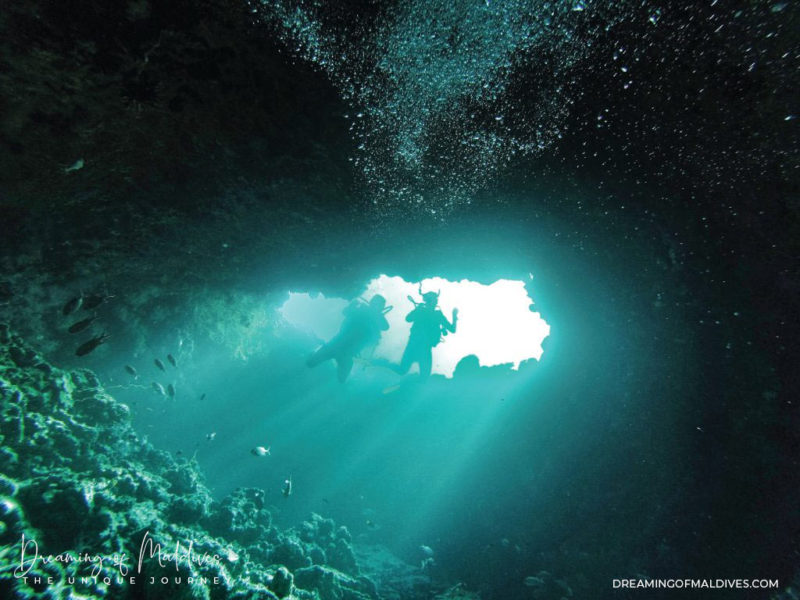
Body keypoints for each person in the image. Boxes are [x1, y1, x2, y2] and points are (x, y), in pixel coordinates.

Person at [306, 294, 390, 382]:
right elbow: (345, 312)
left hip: (346, 350)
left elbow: (386, 327)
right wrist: (352, 305)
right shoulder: (361, 309)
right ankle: (313, 354)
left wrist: (377, 315)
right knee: (310, 363)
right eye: (375, 303)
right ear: (371, 302)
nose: (376, 306)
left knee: (341, 379)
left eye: (379, 305)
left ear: (381, 307)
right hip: (338, 344)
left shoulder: (376, 317)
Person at [387, 291, 458, 379]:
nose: (436, 302)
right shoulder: (435, 314)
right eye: (434, 300)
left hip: (417, 345)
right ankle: (380, 363)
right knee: (417, 374)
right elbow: (452, 329)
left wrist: (454, 316)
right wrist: (454, 316)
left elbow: (408, 319)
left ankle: (381, 363)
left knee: (404, 371)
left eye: (436, 300)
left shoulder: (434, 314)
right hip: (420, 346)